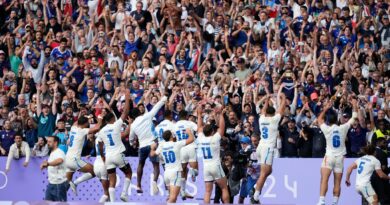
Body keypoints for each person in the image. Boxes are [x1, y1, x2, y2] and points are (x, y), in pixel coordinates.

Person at [316, 99, 358, 205]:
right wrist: (354, 105)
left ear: (328, 121)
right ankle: (335, 203)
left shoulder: (327, 129)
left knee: (324, 180)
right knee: (337, 182)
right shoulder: (343, 128)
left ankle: (321, 201)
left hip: (329, 156)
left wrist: (326, 108)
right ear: (336, 120)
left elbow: (319, 119)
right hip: (340, 158)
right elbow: (354, 118)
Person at [129, 95, 167, 194]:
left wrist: (132, 143)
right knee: (156, 166)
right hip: (152, 145)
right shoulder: (147, 116)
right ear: (139, 112)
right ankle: (154, 181)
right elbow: (156, 107)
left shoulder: (133, 125)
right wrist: (163, 99)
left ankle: (138, 185)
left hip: (142, 147)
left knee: (140, 164)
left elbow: (131, 139)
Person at [97, 90, 131, 202]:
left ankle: (112, 202)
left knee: (112, 179)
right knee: (128, 172)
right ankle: (124, 194)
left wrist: (102, 156)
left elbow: (100, 145)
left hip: (108, 157)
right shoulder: (116, 125)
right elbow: (126, 111)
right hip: (118, 154)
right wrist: (127, 97)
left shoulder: (101, 131)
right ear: (112, 119)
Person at [253, 94, 287, 203]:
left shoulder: (262, 118)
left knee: (269, 171)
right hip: (267, 148)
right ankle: (255, 197)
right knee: (264, 173)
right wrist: (283, 98)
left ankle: (255, 186)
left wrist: (267, 100)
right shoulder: (274, 120)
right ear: (273, 114)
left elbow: (263, 110)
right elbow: (281, 110)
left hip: (260, 147)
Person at [196, 106, 230, 203]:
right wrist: (222, 114)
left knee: (207, 191)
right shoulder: (214, 138)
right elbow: (222, 127)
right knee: (224, 188)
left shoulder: (201, 138)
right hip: (216, 166)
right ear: (212, 131)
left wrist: (199, 115)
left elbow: (199, 128)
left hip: (206, 167)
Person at [151, 129, 194, 202]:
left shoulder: (162, 146)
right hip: (175, 173)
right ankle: (184, 192)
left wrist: (152, 148)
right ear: (171, 136)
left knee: (171, 198)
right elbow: (191, 139)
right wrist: (189, 132)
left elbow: (152, 154)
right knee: (173, 198)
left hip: (166, 173)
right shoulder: (176, 144)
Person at [66, 115, 101, 195]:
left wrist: (85, 116)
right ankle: (75, 183)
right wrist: (100, 118)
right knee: (94, 171)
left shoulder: (73, 128)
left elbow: (76, 122)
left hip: (67, 159)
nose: (88, 124)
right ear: (85, 124)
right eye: (87, 123)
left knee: (65, 187)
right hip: (74, 160)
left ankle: (58, 201)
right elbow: (97, 128)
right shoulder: (82, 131)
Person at [173, 110, 198, 198]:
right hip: (191, 146)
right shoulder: (190, 123)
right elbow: (198, 129)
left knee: (183, 170)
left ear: (179, 117)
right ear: (187, 116)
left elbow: (173, 137)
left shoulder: (175, 125)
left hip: (181, 148)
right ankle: (192, 171)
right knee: (195, 169)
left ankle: (183, 191)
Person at [40, 136, 68, 202]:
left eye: (50, 142)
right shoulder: (52, 153)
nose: (47, 143)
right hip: (51, 183)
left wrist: (48, 164)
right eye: (47, 142)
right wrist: (47, 165)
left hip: (59, 184)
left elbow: (59, 160)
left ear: (55, 143)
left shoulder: (59, 152)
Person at [94, 132, 109, 203]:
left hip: (96, 163)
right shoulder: (106, 137)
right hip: (104, 162)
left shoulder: (97, 138)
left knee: (107, 190)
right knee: (106, 193)